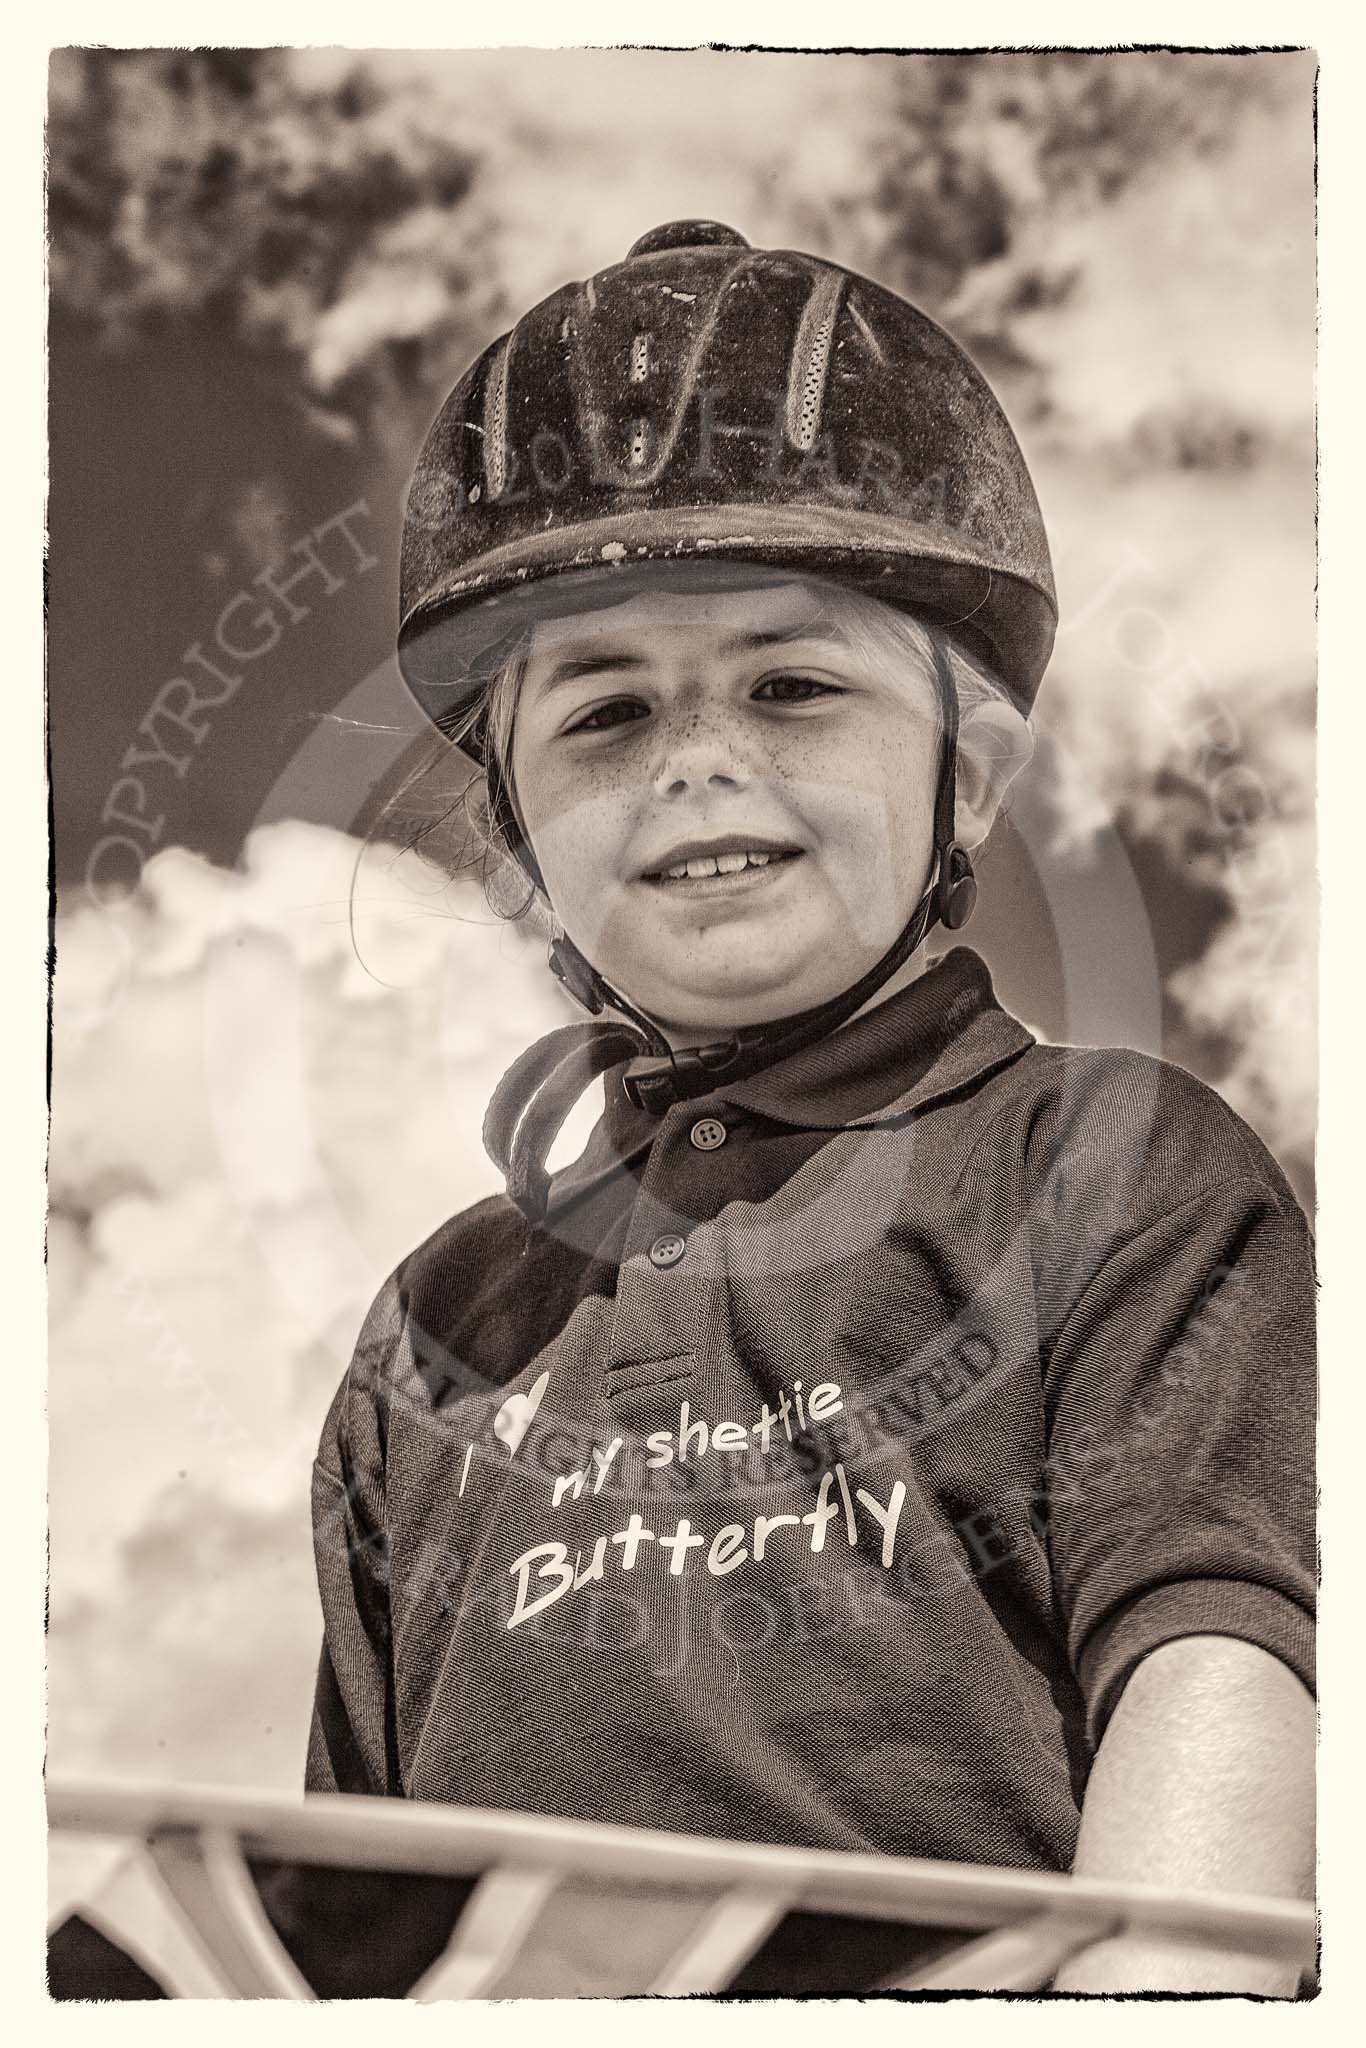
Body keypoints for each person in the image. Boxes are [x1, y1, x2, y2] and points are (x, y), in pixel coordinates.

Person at [306, 222, 1315, 1995]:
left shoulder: (1109, 1168)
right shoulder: (437, 1329)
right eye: (606, 712)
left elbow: (1207, 1666)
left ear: (970, 773)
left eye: (793, 683)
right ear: (521, 845)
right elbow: (342, 1887)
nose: (700, 756)